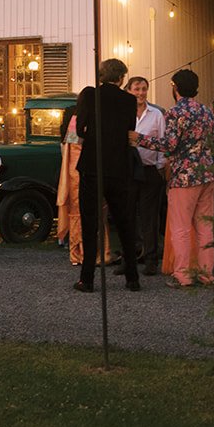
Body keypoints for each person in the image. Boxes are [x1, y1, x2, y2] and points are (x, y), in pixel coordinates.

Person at [132, 69, 214, 288]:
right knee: (205, 227)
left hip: (184, 176)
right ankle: (206, 274)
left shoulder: (175, 112)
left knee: (181, 227)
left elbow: (168, 145)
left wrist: (139, 139)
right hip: (207, 172)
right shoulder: (206, 111)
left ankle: (183, 274)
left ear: (175, 87)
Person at [73, 59, 142, 293]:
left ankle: (87, 278)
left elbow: (79, 127)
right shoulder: (129, 100)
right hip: (119, 166)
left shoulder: (89, 95)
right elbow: (129, 129)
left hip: (92, 165)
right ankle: (132, 277)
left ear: (101, 75)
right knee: (124, 222)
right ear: (122, 78)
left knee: (90, 222)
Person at [127, 76, 167, 276]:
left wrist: (161, 166)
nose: (141, 93)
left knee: (149, 216)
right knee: (127, 215)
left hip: (149, 169)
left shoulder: (156, 115)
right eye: (137, 89)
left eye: (144, 89)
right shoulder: (123, 113)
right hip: (128, 170)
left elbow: (162, 141)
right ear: (129, 90)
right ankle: (131, 258)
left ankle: (151, 258)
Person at [56, 105, 82, 256]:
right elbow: (72, 148)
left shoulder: (72, 120)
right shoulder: (75, 122)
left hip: (72, 169)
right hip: (76, 170)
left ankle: (72, 242)